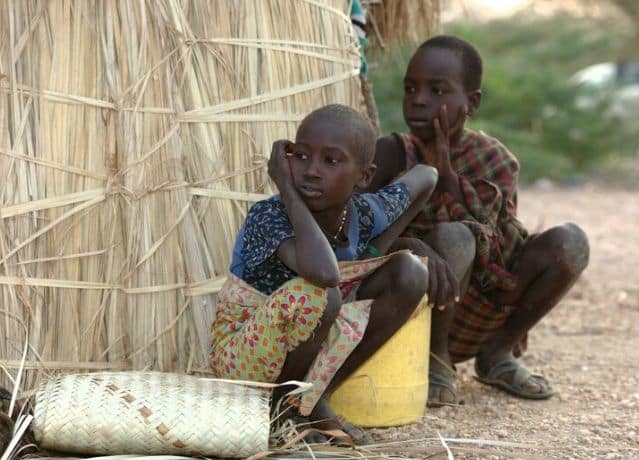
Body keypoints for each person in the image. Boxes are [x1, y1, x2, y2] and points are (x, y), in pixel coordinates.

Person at [366, 36, 590, 405]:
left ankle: (497, 355)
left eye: (437, 90)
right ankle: (436, 360)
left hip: (482, 309)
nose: (419, 99)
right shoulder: (390, 154)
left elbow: (496, 242)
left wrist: (446, 176)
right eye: (411, 88)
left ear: (471, 102)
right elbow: (360, 242)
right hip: (412, 310)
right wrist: (413, 244)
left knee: (572, 242)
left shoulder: (495, 159)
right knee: (454, 237)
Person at [210, 104, 437, 442]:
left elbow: (427, 176)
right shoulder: (269, 216)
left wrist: (376, 248)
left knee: (410, 273)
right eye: (301, 157)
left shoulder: (363, 213)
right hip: (242, 356)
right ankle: (281, 410)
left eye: (331, 161)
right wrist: (287, 189)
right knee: (322, 295)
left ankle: (315, 398)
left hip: (307, 338)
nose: (312, 171)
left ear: (364, 177)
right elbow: (324, 274)